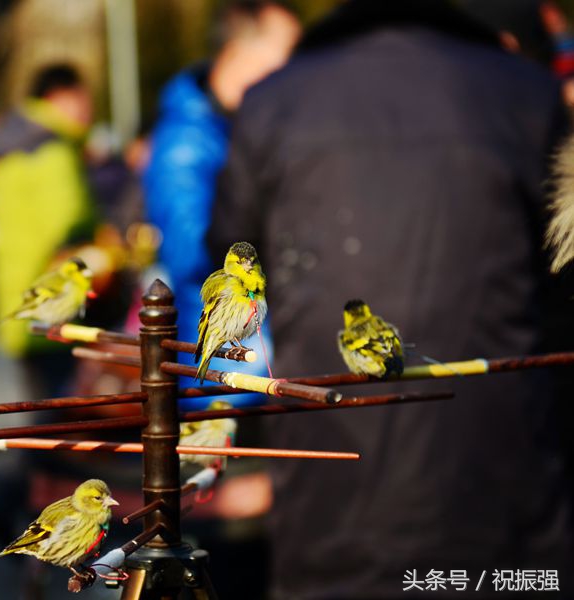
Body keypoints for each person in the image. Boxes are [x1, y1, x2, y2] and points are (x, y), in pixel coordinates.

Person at [208, 0, 573, 597]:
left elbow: (235, 258)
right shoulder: (527, 94)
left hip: (334, 494)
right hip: (501, 492)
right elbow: (563, 289)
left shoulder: (276, 100)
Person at [144, 0, 300, 410]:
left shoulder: (235, 125)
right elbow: (188, 249)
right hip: (228, 375)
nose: (290, 77)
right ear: (236, 53)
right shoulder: (187, 141)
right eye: (279, 61)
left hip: (261, 360)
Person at [0, 62, 97, 391]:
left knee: (35, 413)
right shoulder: (52, 150)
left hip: (19, 295)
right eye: (82, 97)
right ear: (58, 96)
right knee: (60, 421)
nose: (88, 108)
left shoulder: (13, 147)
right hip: (55, 300)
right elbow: (70, 220)